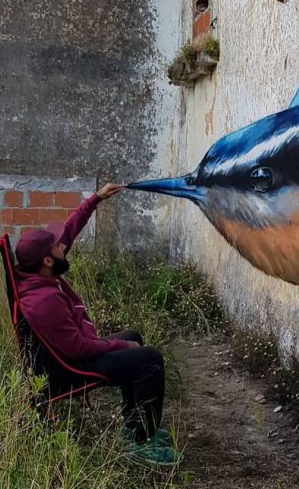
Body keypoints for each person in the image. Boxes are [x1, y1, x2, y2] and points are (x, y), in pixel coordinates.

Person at [14, 183, 180, 465]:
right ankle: (142, 443)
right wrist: (117, 345)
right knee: (148, 358)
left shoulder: (38, 274)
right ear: (46, 259)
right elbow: (77, 350)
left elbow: (67, 231)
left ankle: (133, 426)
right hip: (70, 369)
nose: (62, 245)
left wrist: (95, 199)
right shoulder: (43, 301)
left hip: (73, 354)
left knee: (135, 338)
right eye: (57, 246)